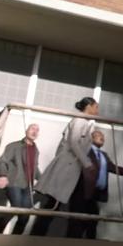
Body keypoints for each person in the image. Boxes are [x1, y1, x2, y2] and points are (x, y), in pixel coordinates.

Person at [31, 97, 97, 236]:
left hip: (73, 167)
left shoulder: (86, 123)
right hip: (69, 166)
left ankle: (42, 233)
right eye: (96, 107)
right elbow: (74, 142)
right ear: (89, 106)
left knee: (62, 202)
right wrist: (87, 163)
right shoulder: (80, 121)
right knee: (55, 202)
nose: (97, 110)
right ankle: (38, 234)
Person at [66, 130, 123, 239]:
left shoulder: (103, 155)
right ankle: (71, 244)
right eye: (98, 136)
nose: (102, 138)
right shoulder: (85, 151)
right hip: (83, 192)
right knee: (77, 222)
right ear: (91, 138)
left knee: (92, 222)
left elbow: (114, 168)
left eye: (103, 137)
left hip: (96, 194)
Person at [0, 124, 41, 234]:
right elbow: (2, 161)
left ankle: (15, 240)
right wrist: (3, 175)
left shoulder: (35, 150)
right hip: (14, 183)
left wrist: (43, 181)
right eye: (32, 129)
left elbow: (35, 167)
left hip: (28, 186)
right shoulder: (14, 146)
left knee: (25, 216)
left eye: (37, 130)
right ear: (26, 131)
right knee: (16, 207)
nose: (35, 132)